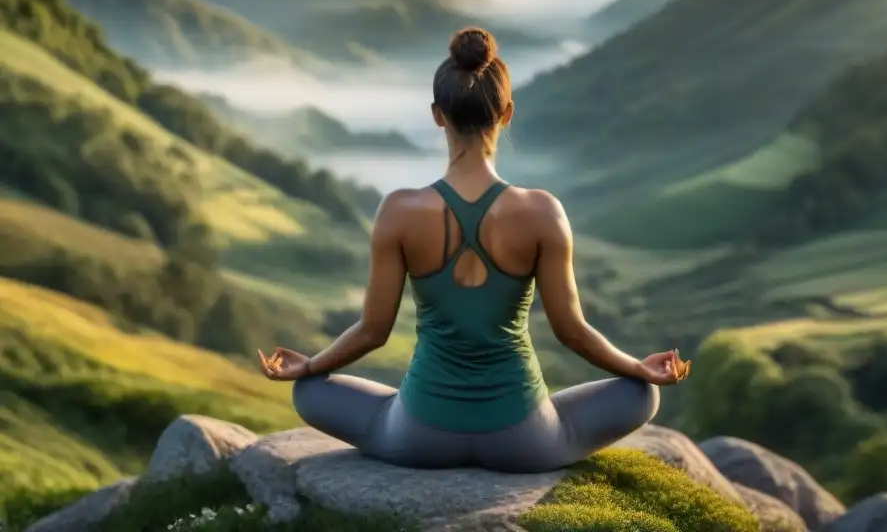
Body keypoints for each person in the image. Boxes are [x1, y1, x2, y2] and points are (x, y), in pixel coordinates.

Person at [257, 26, 690, 473]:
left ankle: (393, 412)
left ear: (437, 115)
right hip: (524, 441)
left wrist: (310, 366)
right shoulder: (543, 211)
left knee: (308, 391)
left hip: (418, 437)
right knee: (642, 394)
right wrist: (639, 368)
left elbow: (372, 332)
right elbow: (573, 333)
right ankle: (549, 425)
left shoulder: (398, 211)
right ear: (506, 114)